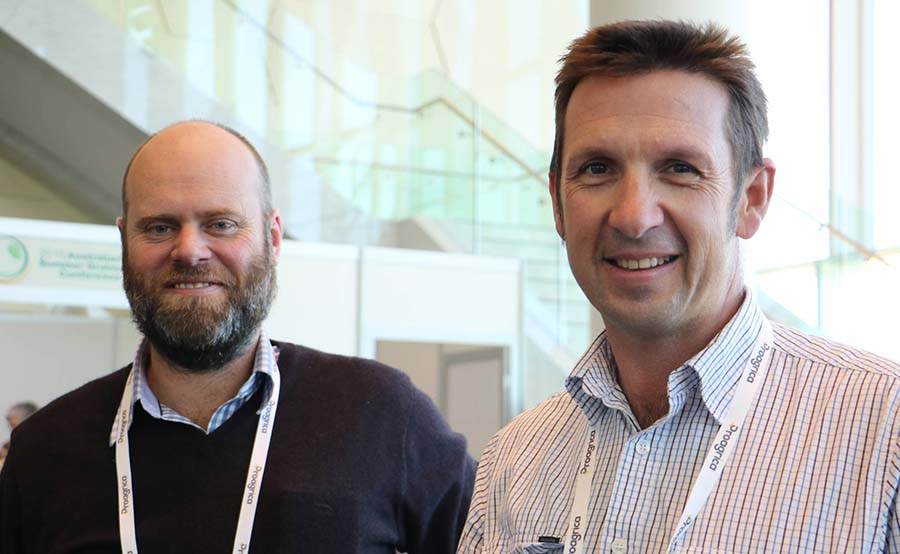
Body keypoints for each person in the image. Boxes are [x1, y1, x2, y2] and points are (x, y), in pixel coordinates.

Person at [457, 20, 900, 554]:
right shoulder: (514, 463)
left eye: (680, 169)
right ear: (557, 202)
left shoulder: (884, 433)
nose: (634, 216)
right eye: (598, 168)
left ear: (752, 198)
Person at [0, 120, 475, 553]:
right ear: (124, 241)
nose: (189, 250)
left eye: (221, 224)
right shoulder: (41, 454)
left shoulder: (384, 417)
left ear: (272, 237)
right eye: (160, 227)